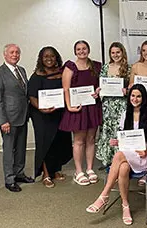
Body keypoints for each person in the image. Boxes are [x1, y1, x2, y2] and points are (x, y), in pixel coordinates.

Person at [86, 84, 147, 225]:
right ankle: (125, 205)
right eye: (133, 95)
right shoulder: (126, 113)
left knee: (119, 155)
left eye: (138, 96)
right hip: (128, 154)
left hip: (145, 156)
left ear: (143, 98)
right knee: (123, 168)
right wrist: (116, 141)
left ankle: (104, 195)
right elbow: (124, 139)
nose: (135, 99)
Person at [0, 43, 34, 192]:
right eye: (12, 52)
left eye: (17, 52)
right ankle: (9, 179)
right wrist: (2, 121)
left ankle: (19, 173)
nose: (15, 55)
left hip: (23, 116)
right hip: (8, 120)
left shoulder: (21, 70)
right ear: (5, 55)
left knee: (21, 148)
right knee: (9, 150)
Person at [27, 46, 73, 188]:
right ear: (41, 58)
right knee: (45, 143)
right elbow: (32, 96)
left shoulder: (61, 72)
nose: (49, 59)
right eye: (46, 56)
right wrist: (42, 108)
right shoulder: (37, 75)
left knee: (58, 141)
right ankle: (46, 174)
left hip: (59, 113)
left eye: (52, 56)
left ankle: (55, 170)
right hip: (41, 114)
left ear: (56, 57)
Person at [59, 40, 102, 186]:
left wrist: (98, 91)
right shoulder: (70, 67)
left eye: (84, 48)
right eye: (78, 49)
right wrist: (69, 106)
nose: (81, 51)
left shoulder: (96, 66)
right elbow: (65, 88)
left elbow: (100, 85)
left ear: (88, 50)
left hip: (92, 107)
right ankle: (78, 171)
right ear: (75, 51)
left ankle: (90, 168)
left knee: (91, 139)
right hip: (78, 108)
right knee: (78, 140)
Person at [96, 42, 130, 167]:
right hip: (107, 105)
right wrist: (99, 91)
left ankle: (119, 160)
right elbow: (101, 84)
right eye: (113, 53)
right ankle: (107, 160)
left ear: (122, 52)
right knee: (107, 130)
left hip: (122, 105)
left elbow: (132, 88)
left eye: (118, 52)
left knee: (119, 130)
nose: (115, 55)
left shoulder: (129, 68)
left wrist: (127, 91)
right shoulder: (105, 67)